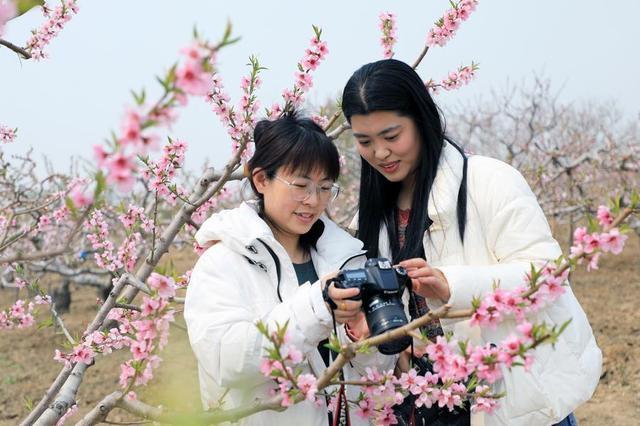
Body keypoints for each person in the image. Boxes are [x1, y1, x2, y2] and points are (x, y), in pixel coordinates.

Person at [340, 59, 601, 426]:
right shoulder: (369, 219)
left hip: (512, 406)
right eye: (364, 141)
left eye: (391, 136)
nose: (379, 153)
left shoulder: (489, 182)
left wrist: (453, 285)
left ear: (421, 119)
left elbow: (548, 276)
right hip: (427, 408)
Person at [184, 110, 394, 426]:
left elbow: (370, 373)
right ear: (261, 179)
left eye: (325, 187)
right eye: (300, 185)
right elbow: (227, 362)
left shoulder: (345, 260)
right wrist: (319, 307)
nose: (313, 200)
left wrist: (361, 338)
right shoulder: (222, 263)